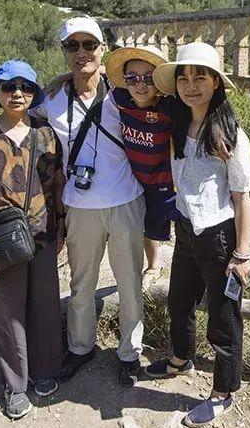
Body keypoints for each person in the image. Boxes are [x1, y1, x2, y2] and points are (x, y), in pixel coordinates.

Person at [0, 17, 146, 388]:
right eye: (72, 46)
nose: (81, 53)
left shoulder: (124, 93)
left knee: (129, 283)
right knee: (81, 286)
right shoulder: (52, 101)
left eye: (89, 45)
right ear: (64, 53)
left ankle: (129, 353)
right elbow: (14, 116)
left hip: (126, 199)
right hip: (78, 206)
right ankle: (81, 348)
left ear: (102, 49)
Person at [144, 42, 250, 428]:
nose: (191, 85)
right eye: (184, 77)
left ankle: (223, 393)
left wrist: (241, 254)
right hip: (186, 229)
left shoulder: (232, 136)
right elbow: (127, 88)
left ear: (216, 83)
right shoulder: (178, 122)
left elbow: (242, 199)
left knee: (224, 319)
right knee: (178, 302)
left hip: (220, 239)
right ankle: (180, 359)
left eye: (200, 77)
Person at [0, 59, 65, 419]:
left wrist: (61, 227)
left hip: (43, 234)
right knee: (5, 312)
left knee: (45, 305)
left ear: (34, 92)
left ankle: (45, 370)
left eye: (25, 86)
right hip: (0, 238)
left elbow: (57, 187)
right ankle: (14, 385)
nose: (17, 93)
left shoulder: (46, 133)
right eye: (9, 86)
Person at [47, 44, 176, 284]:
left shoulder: (169, 105)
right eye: (133, 78)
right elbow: (100, 72)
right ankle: (154, 265)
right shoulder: (120, 96)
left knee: (159, 226)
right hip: (135, 176)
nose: (140, 84)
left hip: (162, 181)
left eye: (149, 78)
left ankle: (157, 266)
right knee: (144, 224)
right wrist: (65, 77)